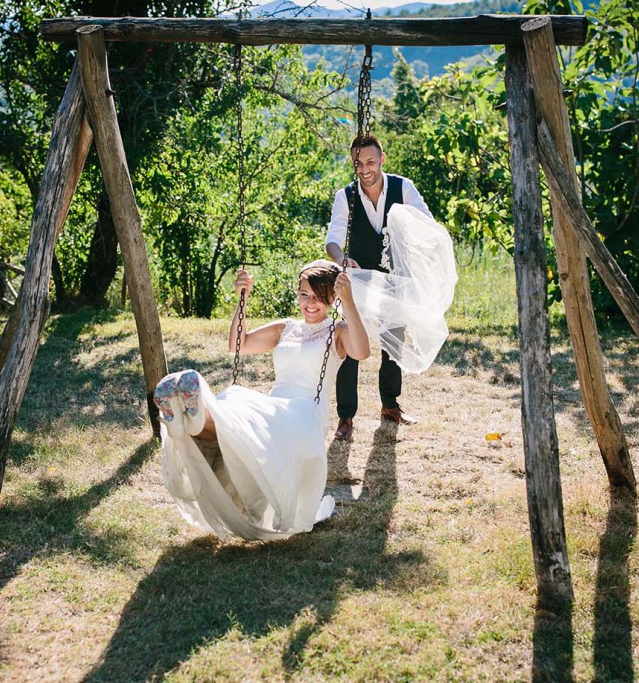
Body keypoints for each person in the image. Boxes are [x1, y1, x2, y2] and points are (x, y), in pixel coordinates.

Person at [152, 260, 370, 541]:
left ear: (332, 298)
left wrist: (349, 301)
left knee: (246, 419)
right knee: (235, 409)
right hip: (276, 406)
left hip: (306, 413)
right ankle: (189, 419)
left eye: (319, 297)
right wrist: (243, 299)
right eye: (304, 295)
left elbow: (362, 352)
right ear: (297, 294)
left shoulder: (337, 332)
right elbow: (238, 344)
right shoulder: (285, 328)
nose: (310, 303)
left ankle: (189, 417)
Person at [325, 134, 434, 440]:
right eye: (358, 163)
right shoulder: (344, 196)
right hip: (357, 281)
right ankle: (346, 417)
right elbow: (333, 238)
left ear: (382, 159)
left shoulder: (404, 188)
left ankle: (390, 405)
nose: (365, 169)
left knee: (393, 343)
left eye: (371, 162)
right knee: (348, 341)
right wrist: (341, 257)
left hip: (394, 278)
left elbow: (426, 223)